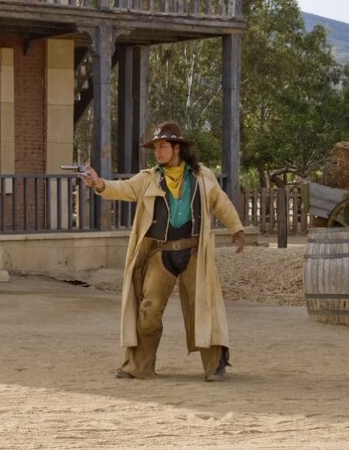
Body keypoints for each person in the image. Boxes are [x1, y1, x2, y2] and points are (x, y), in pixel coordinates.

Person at [82, 121, 245, 382]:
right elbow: (123, 189)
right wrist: (99, 183)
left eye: (163, 146)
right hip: (160, 253)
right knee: (148, 309)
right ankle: (139, 366)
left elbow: (221, 202)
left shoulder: (202, 176)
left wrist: (236, 229)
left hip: (193, 253)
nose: (158, 152)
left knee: (203, 307)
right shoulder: (148, 178)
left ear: (177, 148)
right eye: (156, 147)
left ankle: (215, 366)